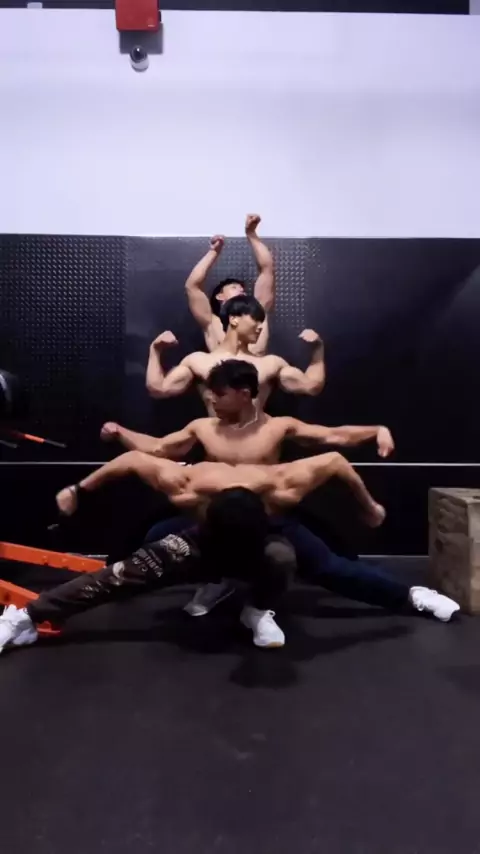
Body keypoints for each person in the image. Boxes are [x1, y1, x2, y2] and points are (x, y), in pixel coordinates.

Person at [56, 361, 459, 625]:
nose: (210, 398)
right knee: (153, 538)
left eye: (219, 393)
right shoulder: (202, 427)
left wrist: (377, 431)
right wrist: (120, 432)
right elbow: (158, 450)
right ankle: (218, 579)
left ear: (245, 393)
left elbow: (334, 439)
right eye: (209, 392)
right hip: (213, 518)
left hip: (268, 516)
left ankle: (413, 596)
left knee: (332, 568)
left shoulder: (278, 427)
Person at [0, 457, 459, 656]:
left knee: (319, 566)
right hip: (202, 547)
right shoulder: (189, 500)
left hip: (265, 544)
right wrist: (78, 489)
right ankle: (23, 621)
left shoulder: (280, 498)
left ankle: (411, 596)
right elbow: (134, 461)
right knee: (119, 576)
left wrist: (370, 507)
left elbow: (336, 459)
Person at [0, 488, 297, 652]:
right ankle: (23, 620)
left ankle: (255, 611)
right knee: (115, 578)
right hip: (200, 555)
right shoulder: (182, 546)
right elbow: (107, 581)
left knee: (282, 558)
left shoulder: (269, 534)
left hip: (248, 557)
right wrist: (33, 612)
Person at [146, 295, 325, 414]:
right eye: (255, 320)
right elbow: (159, 389)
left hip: (257, 449)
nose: (260, 327)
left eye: (262, 322)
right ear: (234, 319)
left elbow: (311, 387)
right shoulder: (199, 362)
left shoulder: (270, 364)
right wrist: (155, 350)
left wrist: (318, 350)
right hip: (217, 447)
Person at [184, 214, 275, 355]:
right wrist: (214, 251)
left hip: (256, 368)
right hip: (222, 368)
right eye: (234, 287)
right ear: (220, 296)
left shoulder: (258, 313)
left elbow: (267, 269)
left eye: (242, 289)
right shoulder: (211, 322)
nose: (241, 290)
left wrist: (251, 234)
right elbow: (192, 286)